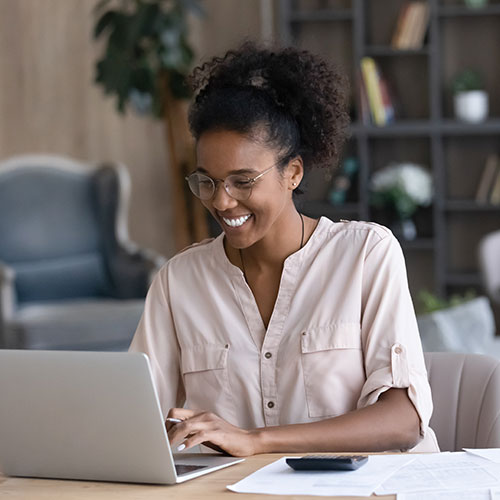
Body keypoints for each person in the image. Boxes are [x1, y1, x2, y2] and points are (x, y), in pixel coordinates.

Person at [129, 41, 440, 456]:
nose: (221, 201)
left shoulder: (366, 254)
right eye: (207, 181)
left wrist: (254, 441)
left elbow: (404, 421)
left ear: (292, 172)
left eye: (243, 181)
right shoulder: (180, 281)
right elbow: (136, 416)